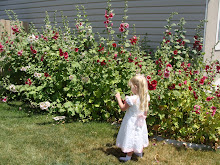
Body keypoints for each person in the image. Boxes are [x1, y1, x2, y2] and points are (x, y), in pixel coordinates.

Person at [115, 74, 150, 162]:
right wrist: (144, 117)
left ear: (135, 87)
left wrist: (118, 98)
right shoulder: (145, 97)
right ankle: (139, 151)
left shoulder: (132, 99)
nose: (131, 88)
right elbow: (145, 110)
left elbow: (123, 108)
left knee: (130, 136)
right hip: (140, 120)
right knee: (139, 135)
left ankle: (128, 156)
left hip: (131, 121)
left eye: (131, 87)